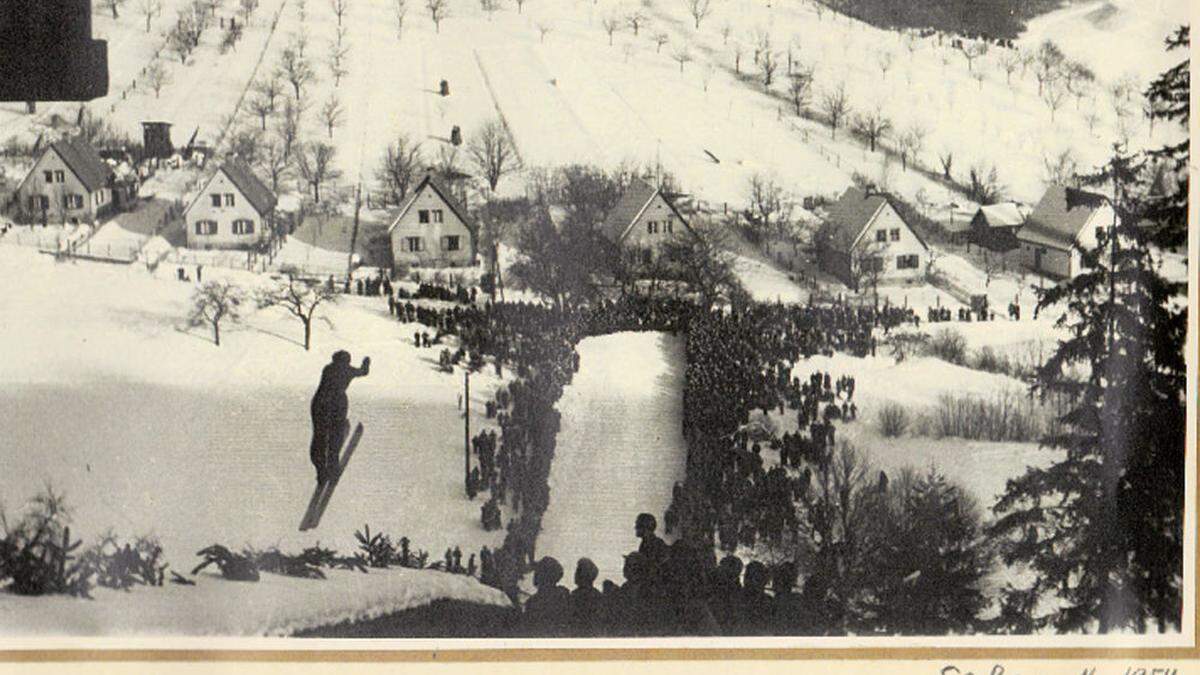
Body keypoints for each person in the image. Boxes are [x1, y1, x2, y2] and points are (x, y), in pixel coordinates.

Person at [309, 351, 370, 483]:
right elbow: (363, 372)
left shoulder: (328, 368)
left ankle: (321, 471)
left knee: (319, 437)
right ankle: (332, 468)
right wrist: (366, 362)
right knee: (334, 438)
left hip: (319, 403)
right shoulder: (347, 369)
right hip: (336, 404)